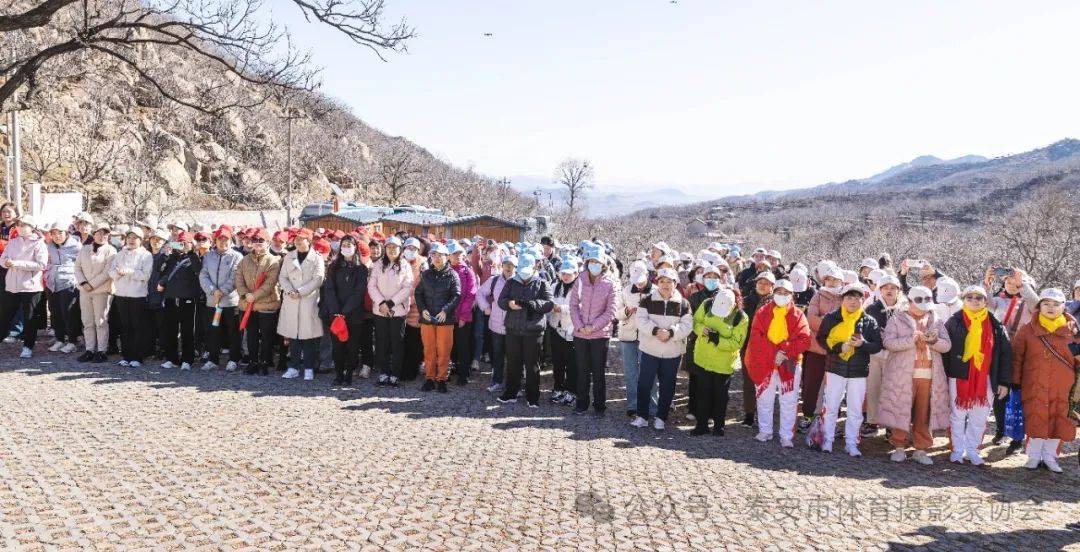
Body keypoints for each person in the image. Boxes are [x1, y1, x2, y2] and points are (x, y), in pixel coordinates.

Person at [877, 286, 952, 465]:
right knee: (900, 410)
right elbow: (888, 342)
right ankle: (899, 446)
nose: (923, 307)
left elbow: (947, 345)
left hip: (929, 376)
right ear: (909, 301)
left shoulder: (936, 320)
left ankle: (921, 449)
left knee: (923, 413)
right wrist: (911, 340)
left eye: (926, 302)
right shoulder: (897, 319)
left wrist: (933, 341)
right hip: (902, 375)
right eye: (918, 302)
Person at [942, 285, 1012, 466]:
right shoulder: (954, 321)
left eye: (978, 297)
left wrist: (1004, 382)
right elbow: (945, 352)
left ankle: (972, 451)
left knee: (979, 417)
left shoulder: (995, 325)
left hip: (986, 377)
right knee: (957, 415)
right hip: (959, 375)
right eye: (970, 297)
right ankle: (957, 450)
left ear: (985, 301)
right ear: (963, 300)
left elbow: (1005, 354)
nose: (974, 301)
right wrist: (945, 376)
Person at [1011, 288, 1078, 473]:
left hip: (1064, 386)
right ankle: (1033, 456)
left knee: (1059, 420)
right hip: (1034, 384)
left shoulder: (1073, 331)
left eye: (1056, 304)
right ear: (1039, 306)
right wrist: (1015, 381)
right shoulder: (1027, 329)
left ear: (1063, 307)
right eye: (1046, 303)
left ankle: (1050, 457)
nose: (1050, 307)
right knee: (1036, 418)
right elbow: (1017, 357)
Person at [815, 282, 883, 456]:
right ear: (842, 299)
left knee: (855, 409)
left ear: (862, 300)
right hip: (835, 368)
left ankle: (851, 443)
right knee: (831, 406)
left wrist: (862, 344)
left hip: (858, 371)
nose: (853, 301)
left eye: (857, 298)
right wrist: (839, 347)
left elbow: (877, 345)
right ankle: (827, 440)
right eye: (849, 297)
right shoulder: (831, 318)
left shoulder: (869, 321)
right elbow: (821, 339)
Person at [744, 279, 812, 447]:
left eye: (785, 293)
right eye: (779, 292)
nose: (782, 295)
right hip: (765, 362)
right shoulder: (762, 312)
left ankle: (786, 435)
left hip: (789, 363)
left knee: (789, 400)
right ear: (773, 293)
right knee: (764, 398)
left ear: (792, 295)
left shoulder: (798, 315)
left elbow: (804, 339)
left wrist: (785, 351)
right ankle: (765, 430)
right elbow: (756, 337)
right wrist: (774, 352)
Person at [983, 266, 1039, 454]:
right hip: (1001, 353)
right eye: (1007, 281)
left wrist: (1022, 284)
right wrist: (987, 283)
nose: (1011, 284)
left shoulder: (1030, 303)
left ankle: (1017, 438)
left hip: (1023, 355)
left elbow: (1036, 304)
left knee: (1018, 395)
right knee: (1000, 393)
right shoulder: (999, 300)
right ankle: (1001, 431)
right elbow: (984, 303)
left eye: (1015, 281)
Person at [630, 267, 693, 430]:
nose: (665, 285)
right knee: (644, 384)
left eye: (669, 282)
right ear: (657, 283)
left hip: (672, 353)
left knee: (668, 386)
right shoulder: (647, 300)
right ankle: (642, 416)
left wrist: (671, 332)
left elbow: (687, 325)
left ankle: (661, 417)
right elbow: (640, 320)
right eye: (662, 281)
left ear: (675, 284)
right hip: (650, 350)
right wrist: (655, 331)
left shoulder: (684, 303)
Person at [497, 252, 554, 407]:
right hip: (513, 328)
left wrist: (532, 304)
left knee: (532, 364)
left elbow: (549, 303)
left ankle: (532, 396)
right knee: (512, 362)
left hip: (533, 330)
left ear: (534, 267)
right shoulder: (511, 282)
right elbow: (501, 300)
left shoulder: (542, 283)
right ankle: (511, 393)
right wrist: (509, 303)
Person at [691, 288, 748, 435]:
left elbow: (737, 342)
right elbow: (695, 322)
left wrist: (718, 340)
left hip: (723, 363)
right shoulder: (706, 304)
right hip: (703, 358)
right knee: (702, 392)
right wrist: (702, 330)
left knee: (720, 395)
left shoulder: (740, 317)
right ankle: (701, 425)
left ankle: (719, 426)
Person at [569, 244, 616, 416]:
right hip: (580, 333)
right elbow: (573, 305)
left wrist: (593, 326)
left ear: (603, 264)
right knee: (582, 371)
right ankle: (581, 404)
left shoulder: (610, 283)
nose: (594, 264)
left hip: (600, 335)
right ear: (587, 262)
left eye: (597, 262)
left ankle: (599, 406)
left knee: (598, 372)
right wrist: (580, 325)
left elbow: (610, 311)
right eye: (591, 261)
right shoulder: (580, 280)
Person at [320, 233, 369, 386]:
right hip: (335, 313)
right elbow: (329, 289)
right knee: (337, 346)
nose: (346, 248)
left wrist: (345, 311)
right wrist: (336, 310)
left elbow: (359, 291)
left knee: (352, 346)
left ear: (355, 248)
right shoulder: (333, 267)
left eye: (349, 245)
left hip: (353, 314)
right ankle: (339, 374)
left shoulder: (361, 269)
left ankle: (349, 374)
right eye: (344, 245)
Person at [277, 229, 325, 381]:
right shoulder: (289, 256)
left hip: (308, 300)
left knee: (308, 336)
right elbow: (283, 277)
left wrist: (300, 291)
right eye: (296, 239)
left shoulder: (317, 258)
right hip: (291, 300)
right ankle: (293, 367)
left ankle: (309, 367)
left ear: (308, 241)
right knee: (293, 335)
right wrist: (290, 290)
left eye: (301, 239)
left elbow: (318, 278)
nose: (297, 241)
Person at [801, 264, 844, 431]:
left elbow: (847, 323)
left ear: (841, 281)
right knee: (812, 384)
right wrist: (832, 325)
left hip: (836, 350)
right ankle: (809, 415)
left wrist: (825, 320)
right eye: (829, 279)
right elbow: (811, 320)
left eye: (835, 279)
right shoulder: (817, 296)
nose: (831, 282)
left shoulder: (845, 297)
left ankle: (831, 420)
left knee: (834, 387)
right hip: (816, 348)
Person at [863, 274, 906, 436]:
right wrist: (877, 336)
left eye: (893, 288)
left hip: (896, 355)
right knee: (873, 388)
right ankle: (872, 422)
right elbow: (865, 331)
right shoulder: (872, 308)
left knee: (893, 391)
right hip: (876, 354)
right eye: (886, 287)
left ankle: (890, 425)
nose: (889, 290)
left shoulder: (904, 309)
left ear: (898, 290)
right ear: (880, 290)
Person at [415, 242, 461, 393]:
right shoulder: (426, 274)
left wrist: (446, 311)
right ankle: (429, 378)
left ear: (447, 257)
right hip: (427, 318)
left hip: (444, 319)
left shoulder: (453, 275)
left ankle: (441, 379)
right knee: (429, 349)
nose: (437, 257)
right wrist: (422, 309)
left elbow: (456, 295)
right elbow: (418, 293)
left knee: (444, 350)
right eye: (434, 254)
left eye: (440, 255)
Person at [235, 228, 282, 376]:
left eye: (261, 240)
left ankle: (264, 362)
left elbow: (270, 283)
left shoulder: (273, 261)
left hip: (267, 304)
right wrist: (244, 294)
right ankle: (253, 362)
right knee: (252, 335)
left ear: (267, 242)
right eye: (255, 240)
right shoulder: (245, 260)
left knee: (267, 336)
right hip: (248, 304)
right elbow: (238, 278)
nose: (257, 243)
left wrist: (254, 296)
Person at [0, 215, 48, 358]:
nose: (19, 227)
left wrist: (16, 263)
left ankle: (28, 346)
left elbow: (41, 265)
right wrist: (6, 262)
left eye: (23, 225)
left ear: (32, 227)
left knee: (30, 317)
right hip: (12, 285)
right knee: (5, 314)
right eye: (18, 225)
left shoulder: (39, 243)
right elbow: (3, 259)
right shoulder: (13, 241)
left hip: (31, 286)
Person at [368, 236, 413, 387]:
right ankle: (384, 372)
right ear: (385, 249)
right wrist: (381, 302)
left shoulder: (405, 265)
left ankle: (395, 374)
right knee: (382, 342)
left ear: (400, 249)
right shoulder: (378, 264)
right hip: (380, 310)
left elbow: (407, 287)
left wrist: (391, 303)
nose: (392, 250)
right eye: (389, 247)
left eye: (395, 247)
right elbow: (372, 285)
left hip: (397, 311)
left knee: (397, 342)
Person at [614, 260, 656, 418]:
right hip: (628, 335)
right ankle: (633, 404)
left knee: (650, 373)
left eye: (641, 282)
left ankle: (652, 405)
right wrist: (627, 311)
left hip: (648, 337)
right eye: (636, 282)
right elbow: (616, 313)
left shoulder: (656, 291)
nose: (638, 285)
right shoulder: (625, 291)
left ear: (647, 275)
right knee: (630, 372)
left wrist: (645, 313)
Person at [199, 226, 244, 372]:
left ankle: (234, 359)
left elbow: (235, 277)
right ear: (215, 241)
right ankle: (213, 359)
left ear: (230, 240)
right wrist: (213, 291)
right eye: (220, 239)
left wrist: (222, 291)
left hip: (230, 302)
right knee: (214, 330)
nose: (223, 242)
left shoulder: (237, 256)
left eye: (226, 239)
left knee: (233, 331)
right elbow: (203, 275)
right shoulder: (208, 256)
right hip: (213, 302)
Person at [108, 228, 154, 367]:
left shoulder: (146, 255)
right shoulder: (119, 254)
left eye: (135, 237)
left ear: (141, 240)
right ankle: (126, 356)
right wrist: (118, 273)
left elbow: (146, 275)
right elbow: (111, 271)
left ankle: (137, 357)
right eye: (129, 237)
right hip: (121, 294)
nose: (131, 240)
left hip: (138, 295)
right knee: (125, 327)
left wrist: (128, 272)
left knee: (137, 327)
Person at [158, 233, 202, 370]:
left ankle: (187, 359)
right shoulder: (172, 257)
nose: (182, 246)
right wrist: (166, 254)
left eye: (185, 243)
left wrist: (190, 252)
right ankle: (171, 358)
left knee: (187, 331)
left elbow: (199, 270)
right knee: (170, 330)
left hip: (187, 298)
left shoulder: (194, 257)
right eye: (180, 243)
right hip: (171, 297)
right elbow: (161, 270)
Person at [74, 222, 116, 362]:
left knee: (101, 321)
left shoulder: (111, 250)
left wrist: (91, 285)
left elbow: (107, 272)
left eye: (105, 233)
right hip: (84, 290)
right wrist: (83, 283)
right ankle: (89, 349)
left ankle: (101, 350)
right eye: (98, 233)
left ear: (108, 235)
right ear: (94, 234)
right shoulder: (85, 249)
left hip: (102, 290)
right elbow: (77, 267)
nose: (101, 236)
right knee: (87, 321)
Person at [739, 271, 776, 428]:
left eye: (767, 283)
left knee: (767, 383)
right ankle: (749, 414)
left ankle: (764, 414)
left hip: (769, 348)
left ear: (772, 286)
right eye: (760, 282)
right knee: (748, 381)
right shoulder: (746, 301)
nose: (763, 286)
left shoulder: (777, 303)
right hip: (748, 346)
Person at [477, 251, 513, 393]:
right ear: (502, 265)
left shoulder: (519, 281)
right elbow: (480, 293)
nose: (508, 267)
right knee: (497, 355)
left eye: (511, 265)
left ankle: (513, 384)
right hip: (496, 324)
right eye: (506, 264)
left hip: (513, 326)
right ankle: (497, 380)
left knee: (513, 357)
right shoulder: (494, 280)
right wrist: (485, 307)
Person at [44, 222, 81, 354]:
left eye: (60, 233)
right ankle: (59, 339)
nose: (57, 236)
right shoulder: (49, 246)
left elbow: (81, 264)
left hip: (68, 282)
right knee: (55, 312)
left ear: (66, 233)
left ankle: (72, 341)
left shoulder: (76, 246)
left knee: (69, 313)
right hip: (52, 283)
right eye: (54, 233)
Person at [547, 258, 579, 404]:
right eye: (563, 273)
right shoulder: (555, 286)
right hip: (555, 328)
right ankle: (558, 388)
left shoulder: (579, 288)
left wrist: (562, 309)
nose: (566, 276)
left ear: (576, 274)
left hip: (571, 330)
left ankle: (571, 391)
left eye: (569, 274)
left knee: (571, 363)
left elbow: (580, 307)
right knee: (557, 361)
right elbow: (548, 301)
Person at [447, 240, 478, 385]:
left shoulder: (468, 272)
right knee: (449, 345)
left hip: (462, 316)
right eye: (454, 254)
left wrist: (463, 316)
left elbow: (471, 295)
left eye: (460, 253)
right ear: (449, 256)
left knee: (463, 346)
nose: (457, 256)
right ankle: (450, 369)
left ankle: (463, 374)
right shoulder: (445, 270)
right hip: (447, 315)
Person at [400, 238, 427, 381]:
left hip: (416, 307)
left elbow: (423, 288)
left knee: (413, 340)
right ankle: (400, 367)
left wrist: (409, 300)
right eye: (408, 248)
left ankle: (411, 369)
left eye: (414, 249)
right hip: (399, 305)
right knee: (401, 339)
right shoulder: (399, 262)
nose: (410, 251)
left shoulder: (423, 264)